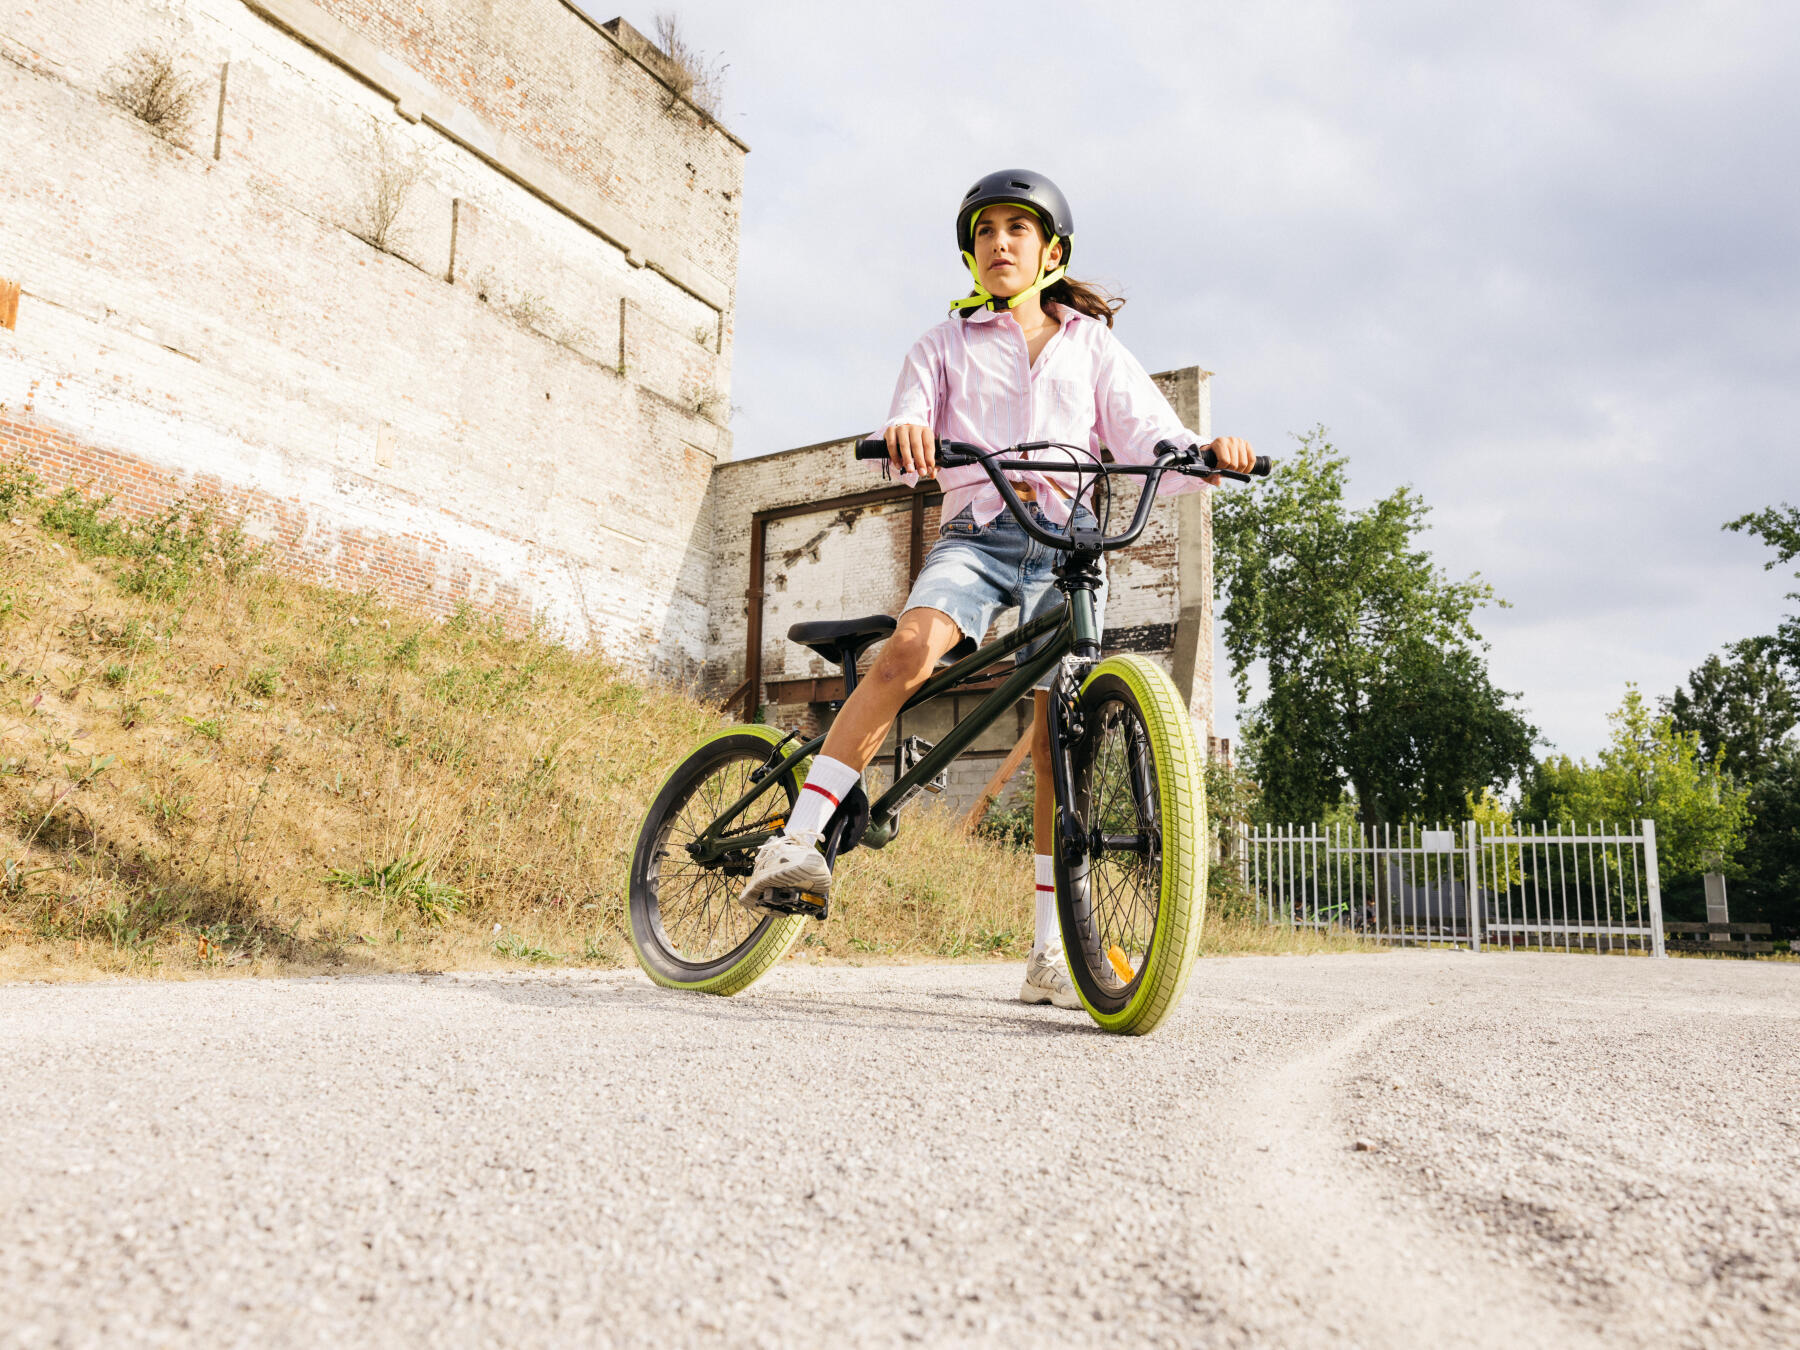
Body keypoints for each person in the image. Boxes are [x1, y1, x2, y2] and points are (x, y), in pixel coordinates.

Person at [738, 168, 1256, 1009]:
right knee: (910, 648)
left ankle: (1050, 955)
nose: (1001, 243)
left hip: (1068, 544)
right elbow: (906, 419)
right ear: (972, 256)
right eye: (986, 232)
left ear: (1052, 252)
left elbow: (1153, 433)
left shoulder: (1092, 347)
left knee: (1065, 732)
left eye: (1019, 229)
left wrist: (1208, 452)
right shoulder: (941, 346)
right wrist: (906, 432)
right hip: (979, 534)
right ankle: (796, 842)